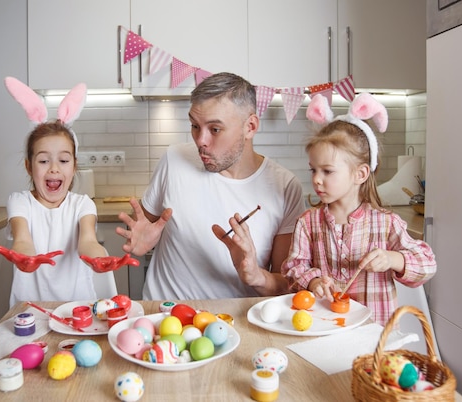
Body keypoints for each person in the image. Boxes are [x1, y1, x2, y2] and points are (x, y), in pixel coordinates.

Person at [116, 72, 306, 300]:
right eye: (195, 126)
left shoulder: (284, 187)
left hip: (233, 323)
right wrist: (137, 239)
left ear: (250, 126)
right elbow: (142, 225)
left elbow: (287, 283)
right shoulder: (174, 159)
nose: (200, 140)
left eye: (215, 129)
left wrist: (256, 276)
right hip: (164, 318)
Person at [281, 93, 436, 325]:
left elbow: (427, 264)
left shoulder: (386, 224)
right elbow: (293, 267)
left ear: (360, 174)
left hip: (374, 336)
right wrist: (313, 282)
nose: (317, 179)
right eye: (313, 170)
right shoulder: (308, 222)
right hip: (326, 330)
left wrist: (392, 259)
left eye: (328, 171)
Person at [0, 77, 137, 307]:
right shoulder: (20, 202)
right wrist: (25, 257)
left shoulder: (82, 204)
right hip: (30, 309)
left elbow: (87, 241)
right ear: (29, 166)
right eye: (43, 160)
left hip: (77, 307)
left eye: (63, 160)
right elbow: (22, 240)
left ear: (74, 166)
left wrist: (99, 258)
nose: (54, 168)